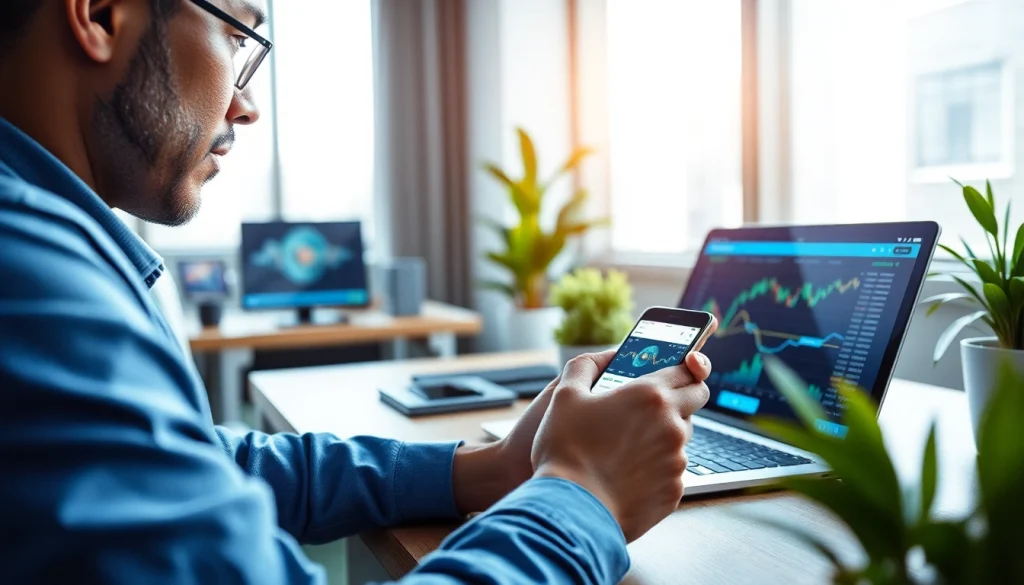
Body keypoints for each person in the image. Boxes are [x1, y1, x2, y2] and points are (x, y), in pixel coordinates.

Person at [0, 1, 713, 583]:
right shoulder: (30, 277)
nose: (246, 106)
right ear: (97, 13)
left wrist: (484, 469)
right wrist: (582, 492)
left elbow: (193, 464)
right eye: (236, 34)